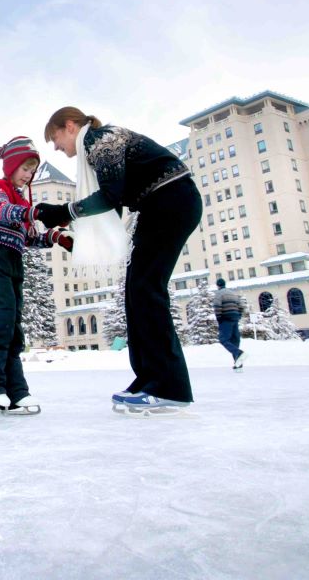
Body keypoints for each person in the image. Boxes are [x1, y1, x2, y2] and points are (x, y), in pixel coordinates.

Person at [37, 107, 202, 413]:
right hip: (160, 205)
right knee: (135, 292)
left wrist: (62, 212)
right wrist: (74, 236)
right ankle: (149, 378)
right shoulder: (96, 146)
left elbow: (110, 198)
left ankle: (168, 387)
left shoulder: (101, 141)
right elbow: (111, 214)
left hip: (171, 200)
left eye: (55, 138)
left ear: (70, 126)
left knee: (146, 290)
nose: (57, 147)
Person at [0, 136, 73, 414]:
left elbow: (28, 238)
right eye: (25, 169)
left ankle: (16, 393)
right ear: (12, 165)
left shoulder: (21, 200)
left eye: (32, 171)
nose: (28, 176)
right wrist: (34, 211)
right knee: (0, 319)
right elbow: (0, 210)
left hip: (13, 261)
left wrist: (55, 237)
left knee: (13, 329)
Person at [213, 278, 246, 371]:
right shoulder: (232, 293)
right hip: (235, 318)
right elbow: (242, 306)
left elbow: (217, 307)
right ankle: (238, 363)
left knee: (223, 339)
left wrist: (219, 319)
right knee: (235, 340)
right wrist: (238, 316)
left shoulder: (219, 294)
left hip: (226, 318)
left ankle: (239, 353)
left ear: (218, 285)